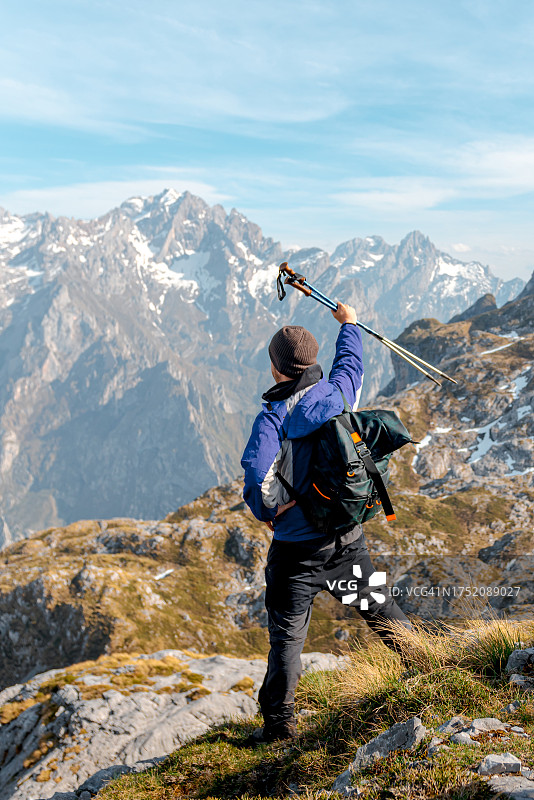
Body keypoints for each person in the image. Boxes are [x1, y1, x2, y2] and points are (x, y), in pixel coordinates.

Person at [240, 301, 412, 745]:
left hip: (296, 555)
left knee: (287, 640)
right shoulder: (337, 394)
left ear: (277, 369)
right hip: (346, 540)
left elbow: (257, 491)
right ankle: (427, 665)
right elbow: (350, 364)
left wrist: (269, 513)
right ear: (311, 362)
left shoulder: (272, 420)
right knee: (379, 607)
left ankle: (279, 727)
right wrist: (349, 324)